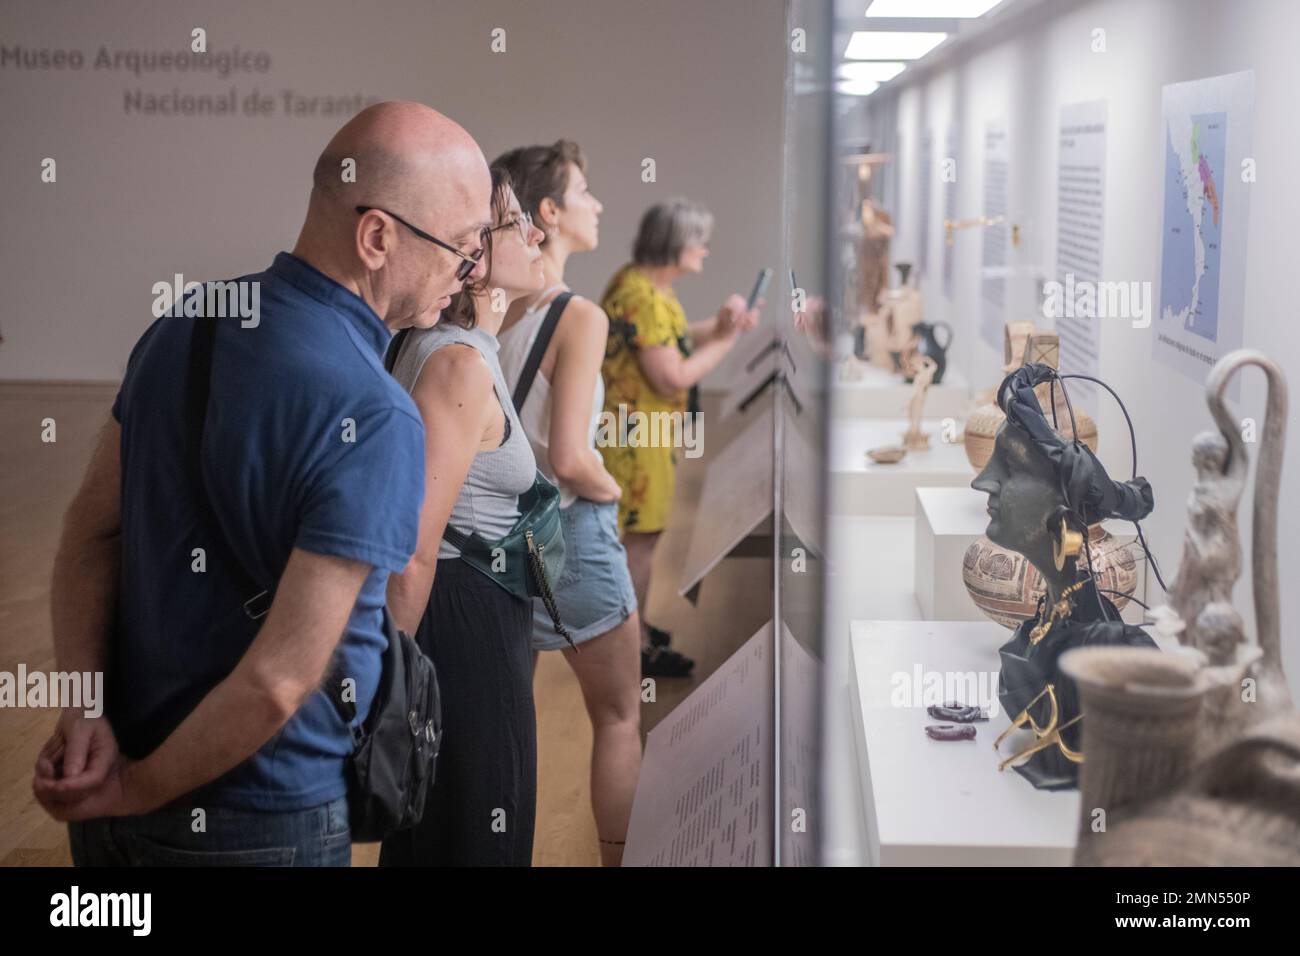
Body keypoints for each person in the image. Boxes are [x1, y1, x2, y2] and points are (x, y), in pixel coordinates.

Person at [32, 101, 493, 866]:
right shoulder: (375, 413)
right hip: (264, 816)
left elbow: (90, 533)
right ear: (377, 237)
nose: (466, 274)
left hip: (105, 787)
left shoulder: (191, 320)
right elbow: (280, 681)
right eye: (461, 249)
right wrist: (139, 789)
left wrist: (87, 717)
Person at [379, 168, 546, 867]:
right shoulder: (458, 365)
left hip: (472, 613)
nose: (538, 233)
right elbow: (415, 548)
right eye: (516, 223)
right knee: (479, 833)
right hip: (461, 622)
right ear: (474, 256)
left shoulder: (468, 349)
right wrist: (391, 688)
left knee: (444, 829)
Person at [494, 140, 641, 866]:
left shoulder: (495, 311)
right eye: (584, 192)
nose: (598, 205)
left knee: (508, 725)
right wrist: (612, 490)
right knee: (617, 717)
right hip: (570, 531)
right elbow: (571, 457)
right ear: (549, 212)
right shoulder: (578, 316)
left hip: (494, 539)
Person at [600, 199, 759, 678]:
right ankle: (631, 643)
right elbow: (671, 376)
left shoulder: (644, 286)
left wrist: (721, 327)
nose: (705, 251)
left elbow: (670, 340)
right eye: (699, 242)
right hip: (636, 436)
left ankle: (633, 629)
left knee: (640, 538)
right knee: (641, 540)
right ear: (675, 244)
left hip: (643, 432)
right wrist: (728, 344)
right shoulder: (644, 296)